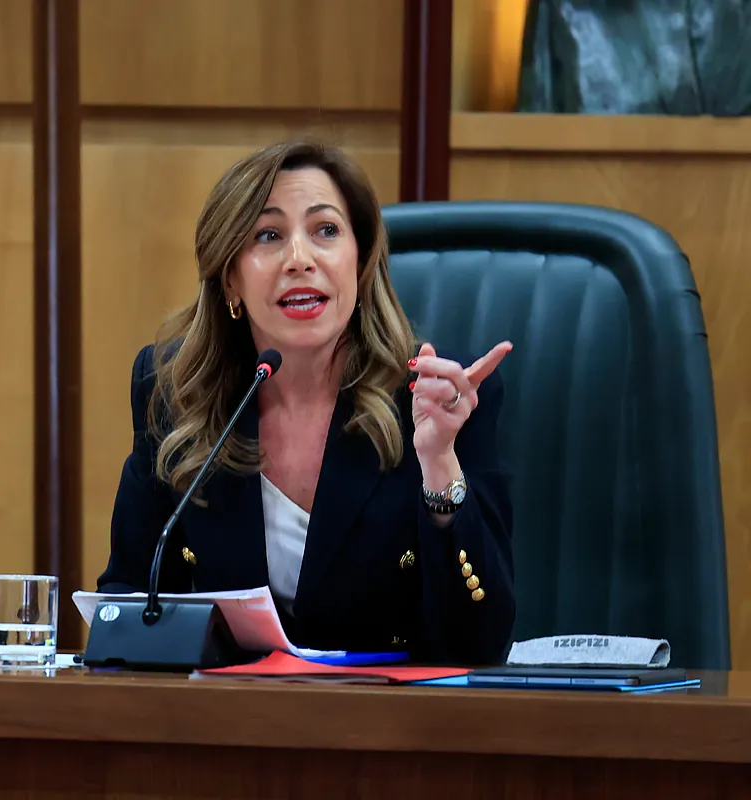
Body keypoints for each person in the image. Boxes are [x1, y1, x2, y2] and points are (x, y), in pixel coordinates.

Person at [96, 138, 516, 665]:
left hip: (392, 713)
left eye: (326, 231)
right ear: (230, 279)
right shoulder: (176, 391)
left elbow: (480, 645)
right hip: (228, 711)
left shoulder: (440, 397)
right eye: (268, 235)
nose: (300, 259)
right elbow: (129, 604)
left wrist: (438, 466)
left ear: (359, 263)